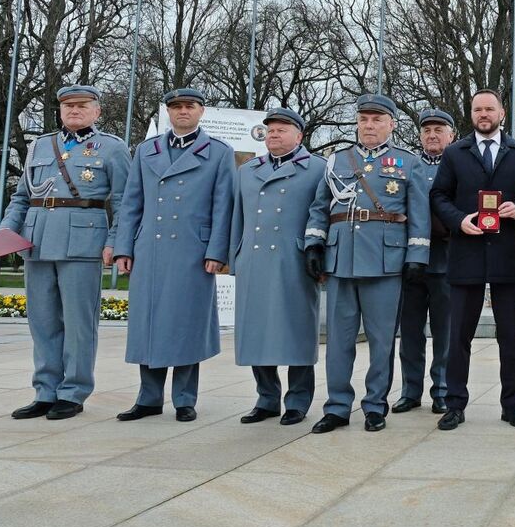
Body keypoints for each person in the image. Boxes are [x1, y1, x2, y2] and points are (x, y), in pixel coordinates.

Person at [0, 85, 130, 420]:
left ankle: (73, 391)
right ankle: (45, 391)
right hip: (37, 240)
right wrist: (5, 232)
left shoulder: (112, 148)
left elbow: (123, 202)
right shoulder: (40, 146)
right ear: (60, 110)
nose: (74, 110)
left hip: (83, 243)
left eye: (82, 105)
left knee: (78, 323)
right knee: (42, 322)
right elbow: (22, 197)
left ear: (97, 111)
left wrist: (115, 241)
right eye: (68, 105)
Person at [304, 94, 430, 434]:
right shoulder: (337, 160)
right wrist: (314, 243)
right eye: (364, 119)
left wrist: (417, 257)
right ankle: (337, 406)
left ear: (391, 124)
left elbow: (419, 215)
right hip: (341, 258)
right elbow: (320, 206)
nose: (369, 125)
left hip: (386, 262)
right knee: (339, 340)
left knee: (381, 341)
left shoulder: (406, 163)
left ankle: (375, 405)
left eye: (377, 119)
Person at [113, 88, 235, 422]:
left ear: (201, 111)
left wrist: (217, 251)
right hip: (148, 249)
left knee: (186, 323)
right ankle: (148, 397)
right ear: (168, 112)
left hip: (192, 251)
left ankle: (184, 399)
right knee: (147, 323)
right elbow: (131, 202)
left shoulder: (219, 152)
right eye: (176, 107)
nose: (182, 112)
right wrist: (124, 246)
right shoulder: (146, 150)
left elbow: (223, 206)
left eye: (189, 106)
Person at [430, 89, 515, 431]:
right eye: (477, 109)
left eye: (489, 109)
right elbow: (438, 195)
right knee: (459, 337)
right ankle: (455, 405)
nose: (483, 114)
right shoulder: (454, 153)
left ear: (501, 113)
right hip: (466, 253)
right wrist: (458, 220)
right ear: (471, 114)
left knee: (509, 336)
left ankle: (512, 405)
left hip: (507, 254)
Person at [230, 107, 324, 426]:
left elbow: (320, 214)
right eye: (270, 129)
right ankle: (266, 398)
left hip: (294, 260)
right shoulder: (247, 170)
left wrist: (317, 252)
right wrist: (234, 257)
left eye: (282, 129)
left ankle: (297, 400)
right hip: (254, 261)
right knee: (257, 331)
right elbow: (236, 218)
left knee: (297, 331)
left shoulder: (316, 169)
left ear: (299, 135)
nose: (274, 134)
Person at [392, 108, 456, 415]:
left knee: (444, 333)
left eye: (438, 130)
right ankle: (410, 390)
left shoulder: (459, 165)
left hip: (446, 261)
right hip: (410, 263)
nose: (432, 135)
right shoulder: (407, 166)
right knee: (411, 332)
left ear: (451, 135)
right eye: (427, 130)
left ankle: (441, 389)